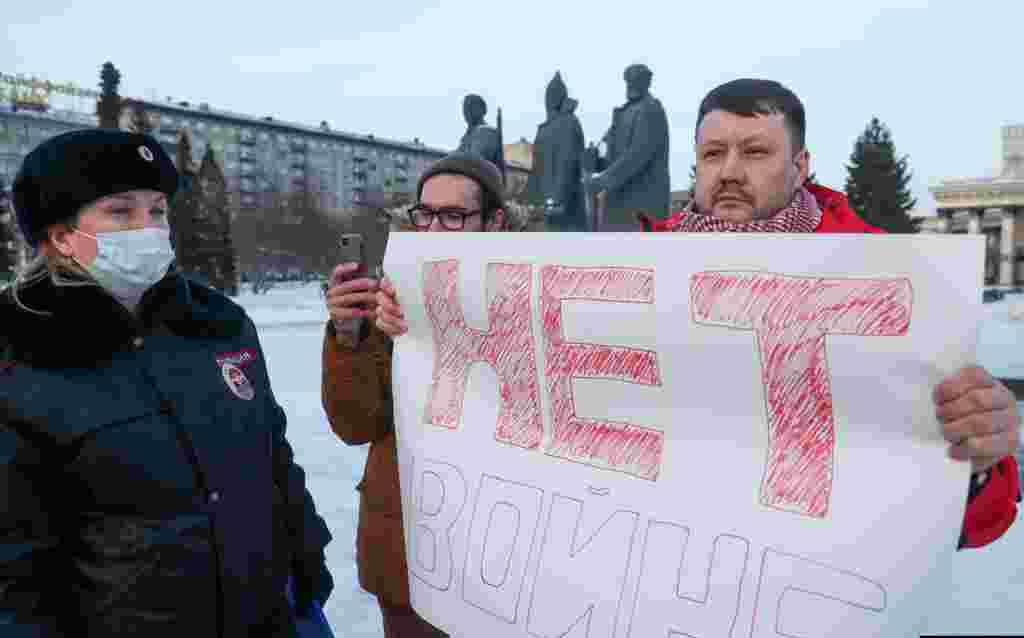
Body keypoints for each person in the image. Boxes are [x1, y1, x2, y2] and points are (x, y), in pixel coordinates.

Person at [376, 80, 1021, 550]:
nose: (730, 172)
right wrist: (430, 323)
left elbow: (975, 519)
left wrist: (982, 462)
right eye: (713, 155)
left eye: (756, 152)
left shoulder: (886, 284)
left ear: (801, 166)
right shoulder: (635, 278)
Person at [0, 129, 333, 638]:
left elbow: (272, 457)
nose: (147, 228)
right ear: (61, 234)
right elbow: (12, 559)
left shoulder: (219, 324)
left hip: (266, 628)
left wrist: (306, 553)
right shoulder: (17, 351)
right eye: (119, 211)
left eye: (157, 211)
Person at [321, 154, 506, 638]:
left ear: (494, 222)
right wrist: (349, 334)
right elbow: (356, 424)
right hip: (408, 535)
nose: (433, 227)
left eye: (453, 216)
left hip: (513, 532)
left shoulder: (533, 291)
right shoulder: (389, 295)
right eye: (424, 214)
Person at [586, 63, 671, 232]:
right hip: (619, 203)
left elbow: (638, 154)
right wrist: (595, 160)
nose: (631, 84)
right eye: (629, 81)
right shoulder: (624, 113)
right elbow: (612, 157)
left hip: (642, 203)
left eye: (636, 80)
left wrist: (602, 180)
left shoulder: (651, 109)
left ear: (646, 82)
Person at [528, 71, 588, 232]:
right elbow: (536, 169)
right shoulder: (543, 130)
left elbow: (567, 165)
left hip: (567, 209)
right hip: (546, 208)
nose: (548, 99)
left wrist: (557, 201)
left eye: (552, 95)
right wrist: (529, 200)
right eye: (547, 95)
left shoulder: (570, 123)